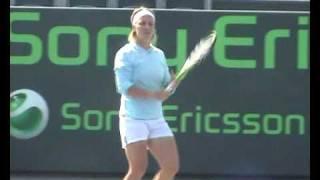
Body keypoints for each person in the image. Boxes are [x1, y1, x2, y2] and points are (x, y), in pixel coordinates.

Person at [113, 6, 179, 180]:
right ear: (135, 27)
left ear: (154, 28)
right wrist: (153, 95)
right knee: (138, 169)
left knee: (171, 166)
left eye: (150, 23)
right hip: (132, 119)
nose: (147, 27)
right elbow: (124, 87)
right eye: (142, 23)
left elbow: (166, 86)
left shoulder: (159, 55)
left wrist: (172, 84)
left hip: (156, 119)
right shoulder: (125, 54)